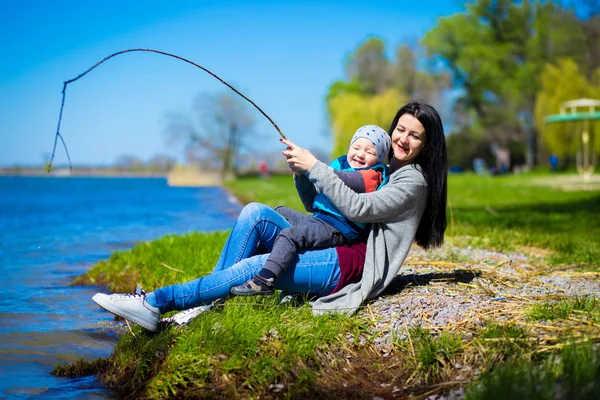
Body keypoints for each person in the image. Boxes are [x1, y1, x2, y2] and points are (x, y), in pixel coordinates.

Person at [92, 101, 448, 331]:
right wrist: (302, 171)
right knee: (255, 214)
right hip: (335, 240)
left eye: (414, 135)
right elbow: (318, 209)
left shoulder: (412, 180)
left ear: (426, 145)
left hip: (351, 262)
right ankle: (204, 304)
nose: (403, 139)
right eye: (400, 129)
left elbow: (357, 209)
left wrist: (316, 166)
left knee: (255, 266)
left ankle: (154, 303)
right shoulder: (388, 171)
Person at [230, 125, 391, 296]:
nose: (360, 154)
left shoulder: (373, 175)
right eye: (356, 147)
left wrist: (312, 164)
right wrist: (300, 172)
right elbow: (312, 200)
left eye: (369, 152)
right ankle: (257, 258)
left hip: (338, 229)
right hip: (319, 219)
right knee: (279, 212)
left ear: (379, 158)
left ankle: (265, 280)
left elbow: (347, 179)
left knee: (291, 234)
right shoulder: (340, 163)